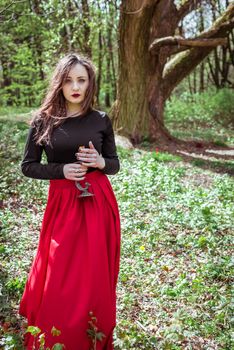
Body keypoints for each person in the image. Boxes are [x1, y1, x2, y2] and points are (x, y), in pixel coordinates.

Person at [18, 53, 121, 350]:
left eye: (81, 79)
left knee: (93, 273)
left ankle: (92, 332)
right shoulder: (43, 120)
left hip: (98, 201)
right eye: (68, 80)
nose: (75, 86)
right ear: (59, 83)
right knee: (60, 270)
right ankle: (57, 335)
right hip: (63, 202)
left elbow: (115, 164)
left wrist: (100, 161)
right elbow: (28, 165)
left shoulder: (100, 119)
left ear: (90, 83)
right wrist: (60, 170)